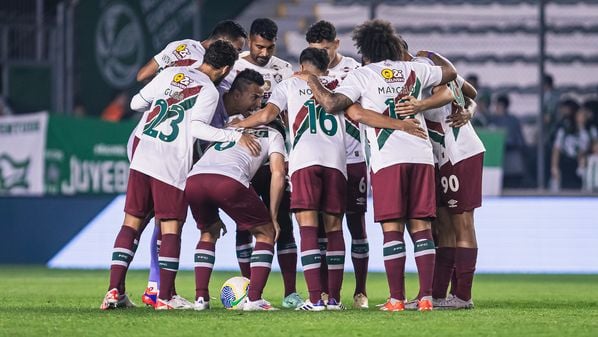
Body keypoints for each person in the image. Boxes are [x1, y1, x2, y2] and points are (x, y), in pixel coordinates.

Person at [234, 46, 428, 311]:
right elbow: (358, 115)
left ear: (301, 67)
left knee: (309, 228)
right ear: (326, 68)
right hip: (338, 164)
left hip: (305, 162)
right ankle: (333, 299)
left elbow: (267, 115)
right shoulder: (340, 85)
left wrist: (237, 125)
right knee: (335, 228)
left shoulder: (290, 83)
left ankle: (316, 299)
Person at [294, 19, 457, 311]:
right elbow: (451, 73)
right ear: (393, 46)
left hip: (388, 157)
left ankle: (396, 299)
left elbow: (332, 104)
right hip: (421, 155)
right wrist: (429, 54)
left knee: (392, 229)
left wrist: (311, 79)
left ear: (365, 49)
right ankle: (426, 298)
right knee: (421, 227)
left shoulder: (363, 74)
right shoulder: (415, 69)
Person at [100, 41, 260, 310]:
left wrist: (167, 100)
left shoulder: (169, 74)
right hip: (171, 161)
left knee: (130, 224)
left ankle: (114, 291)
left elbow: (136, 102)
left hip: (143, 155)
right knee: (171, 227)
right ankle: (164, 296)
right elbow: (198, 128)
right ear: (225, 69)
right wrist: (235, 135)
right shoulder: (209, 90)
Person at [131, 20, 248, 308]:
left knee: (148, 219)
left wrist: (166, 93)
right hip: (168, 145)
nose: (236, 58)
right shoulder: (200, 67)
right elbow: (143, 75)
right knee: (161, 218)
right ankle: (159, 290)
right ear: (221, 43)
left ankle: (148, 287)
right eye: (236, 50)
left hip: (153, 138)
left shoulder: (182, 58)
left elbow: (142, 81)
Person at [224, 18, 301, 309]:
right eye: (259, 46)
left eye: (269, 47)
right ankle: (248, 289)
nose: (264, 53)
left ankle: (291, 292)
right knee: (244, 224)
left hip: (273, 150)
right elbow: (224, 105)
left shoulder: (284, 70)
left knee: (283, 221)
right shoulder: (235, 66)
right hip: (241, 152)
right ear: (251, 41)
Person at [186, 118, 287, 311]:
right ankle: (254, 299)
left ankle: (200, 299)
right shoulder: (274, 134)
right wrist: (272, 216)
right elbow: (278, 173)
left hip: (195, 179)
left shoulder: (232, 126)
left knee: (208, 232)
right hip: (229, 180)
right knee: (265, 233)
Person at [305, 20, 369, 309]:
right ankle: (322, 294)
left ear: (337, 44)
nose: (322, 55)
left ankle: (360, 291)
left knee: (356, 225)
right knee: (320, 229)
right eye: (316, 50)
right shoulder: (306, 75)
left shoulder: (355, 70)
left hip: (353, 158)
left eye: (326, 49)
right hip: (321, 160)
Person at [136, 20, 247, 83]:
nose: (237, 56)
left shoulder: (181, 44)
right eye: (237, 50)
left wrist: (159, 90)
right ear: (222, 41)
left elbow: (142, 75)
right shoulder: (212, 66)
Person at [551, 104, 597, 190]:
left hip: (584, 164)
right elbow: (557, 149)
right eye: (580, 114)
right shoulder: (565, 129)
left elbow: (595, 146)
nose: (582, 117)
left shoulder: (591, 130)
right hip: (568, 163)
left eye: (584, 115)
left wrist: (586, 154)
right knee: (567, 189)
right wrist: (554, 166)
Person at [487, 94, 527, 188]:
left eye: (497, 105)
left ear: (502, 106)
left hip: (511, 154)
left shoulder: (513, 120)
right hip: (497, 155)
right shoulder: (493, 120)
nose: (495, 108)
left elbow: (518, 139)